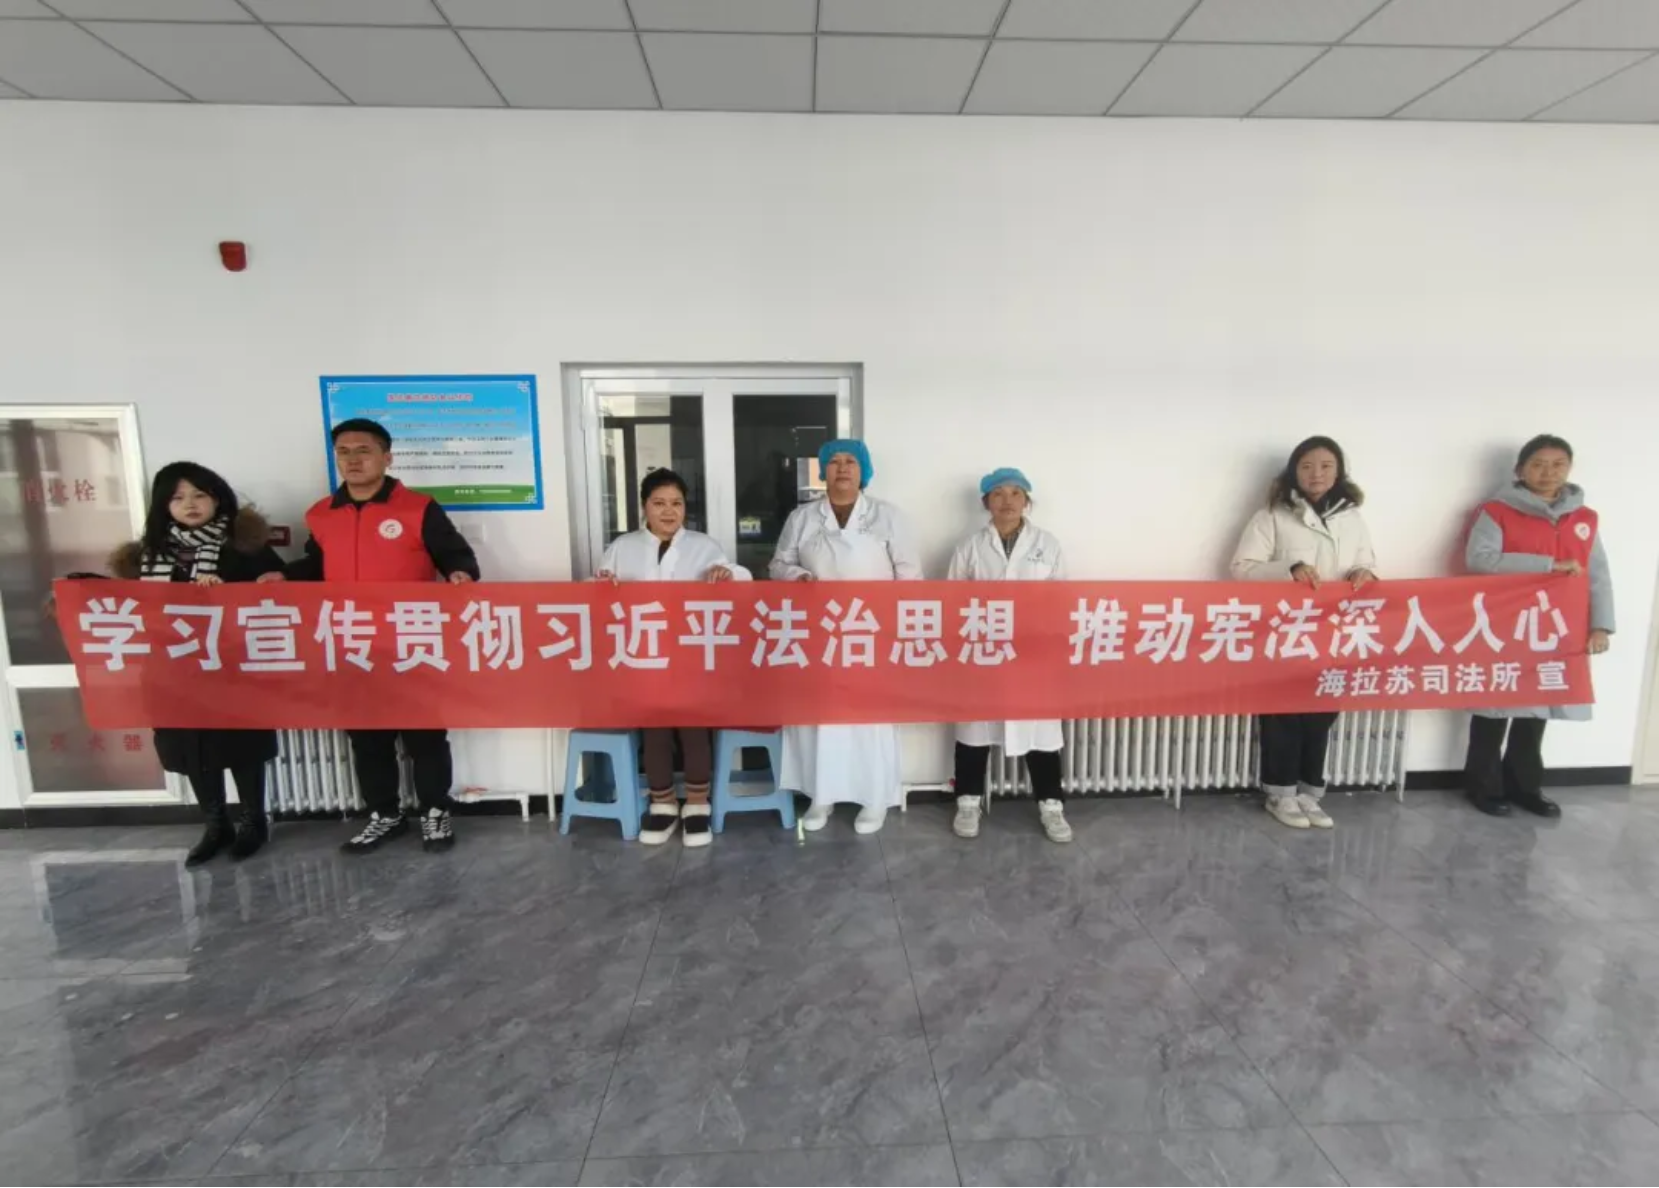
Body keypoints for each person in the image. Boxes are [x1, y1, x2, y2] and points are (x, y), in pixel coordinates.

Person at [260, 418, 480, 855]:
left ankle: (435, 810)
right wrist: (284, 575)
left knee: (424, 736)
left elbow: (455, 553)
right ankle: (385, 814)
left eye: (363, 450)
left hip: (411, 640)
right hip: (352, 640)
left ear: (386, 457)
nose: (353, 460)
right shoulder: (321, 513)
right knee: (367, 737)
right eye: (343, 452)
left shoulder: (418, 508)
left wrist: (461, 573)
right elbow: (317, 565)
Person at [76, 463, 287, 865]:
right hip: (171, 670)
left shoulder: (246, 548)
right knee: (190, 748)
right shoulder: (145, 556)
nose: (190, 504)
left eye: (199, 495)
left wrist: (231, 592)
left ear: (217, 499)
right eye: (177, 497)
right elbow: (131, 606)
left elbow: (280, 600)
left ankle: (253, 821)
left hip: (232, 667)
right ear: (163, 505)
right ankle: (215, 825)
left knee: (241, 744)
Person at [770, 438, 921, 835]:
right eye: (833, 461)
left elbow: (909, 576)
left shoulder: (888, 516)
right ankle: (821, 795)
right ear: (823, 471)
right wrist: (797, 576)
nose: (841, 468)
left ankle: (874, 798)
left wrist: (896, 627)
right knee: (819, 715)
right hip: (817, 632)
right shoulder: (802, 518)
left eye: (850, 461)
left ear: (863, 470)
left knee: (869, 717)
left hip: (870, 633)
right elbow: (779, 564)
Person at [597, 468, 750, 847]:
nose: (669, 511)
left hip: (692, 653)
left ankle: (697, 805)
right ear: (644, 507)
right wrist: (602, 585)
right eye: (659, 503)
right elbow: (598, 594)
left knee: (694, 727)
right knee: (656, 730)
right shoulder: (623, 547)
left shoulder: (704, 546)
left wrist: (726, 573)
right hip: (644, 654)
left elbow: (740, 579)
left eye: (677, 503)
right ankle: (662, 804)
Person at [1463, 434, 1614, 818]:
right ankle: (1483, 787)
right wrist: (1547, 565)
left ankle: (1526, 787)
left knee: (1537, 711)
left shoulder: (1584, 518)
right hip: (1505, 626)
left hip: (1556, 629)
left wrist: (1600, 625)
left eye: (1558, 464)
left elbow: (1597, 575)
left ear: (1569, 468)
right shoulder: (1496, 511)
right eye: (1538, 464)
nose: (1548, 473)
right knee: (1494, 708)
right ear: (1520, 469)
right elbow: (1480, 559)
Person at [1231, 436, 1378, 831]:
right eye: (1307, 466)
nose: (1317, 474)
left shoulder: (1352, 518)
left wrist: (1364, 573)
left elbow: (1366, 562)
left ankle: (1309, 792)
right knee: (1284, 713)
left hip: (1335, 631)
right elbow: (1242, 568)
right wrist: (1289, 569)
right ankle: (1280, 793)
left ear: (1338, 471)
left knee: (1322, 712)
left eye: (1326, 466)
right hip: (1286, 632)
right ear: (1294, 471)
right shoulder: (1272, 515)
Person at [948, 468, 1072, 844]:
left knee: (1041, 732)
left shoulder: (1047, 544)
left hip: (1033, 654)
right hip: (984, 651)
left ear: (1026, 501)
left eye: (1016, 493)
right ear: (986, 501)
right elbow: (952, 600)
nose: (1007, 501)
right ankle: (968, 802)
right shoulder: (970, 547)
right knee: (975, 729)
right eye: (998, 493)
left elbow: (1060, 597)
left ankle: (1051, 805)